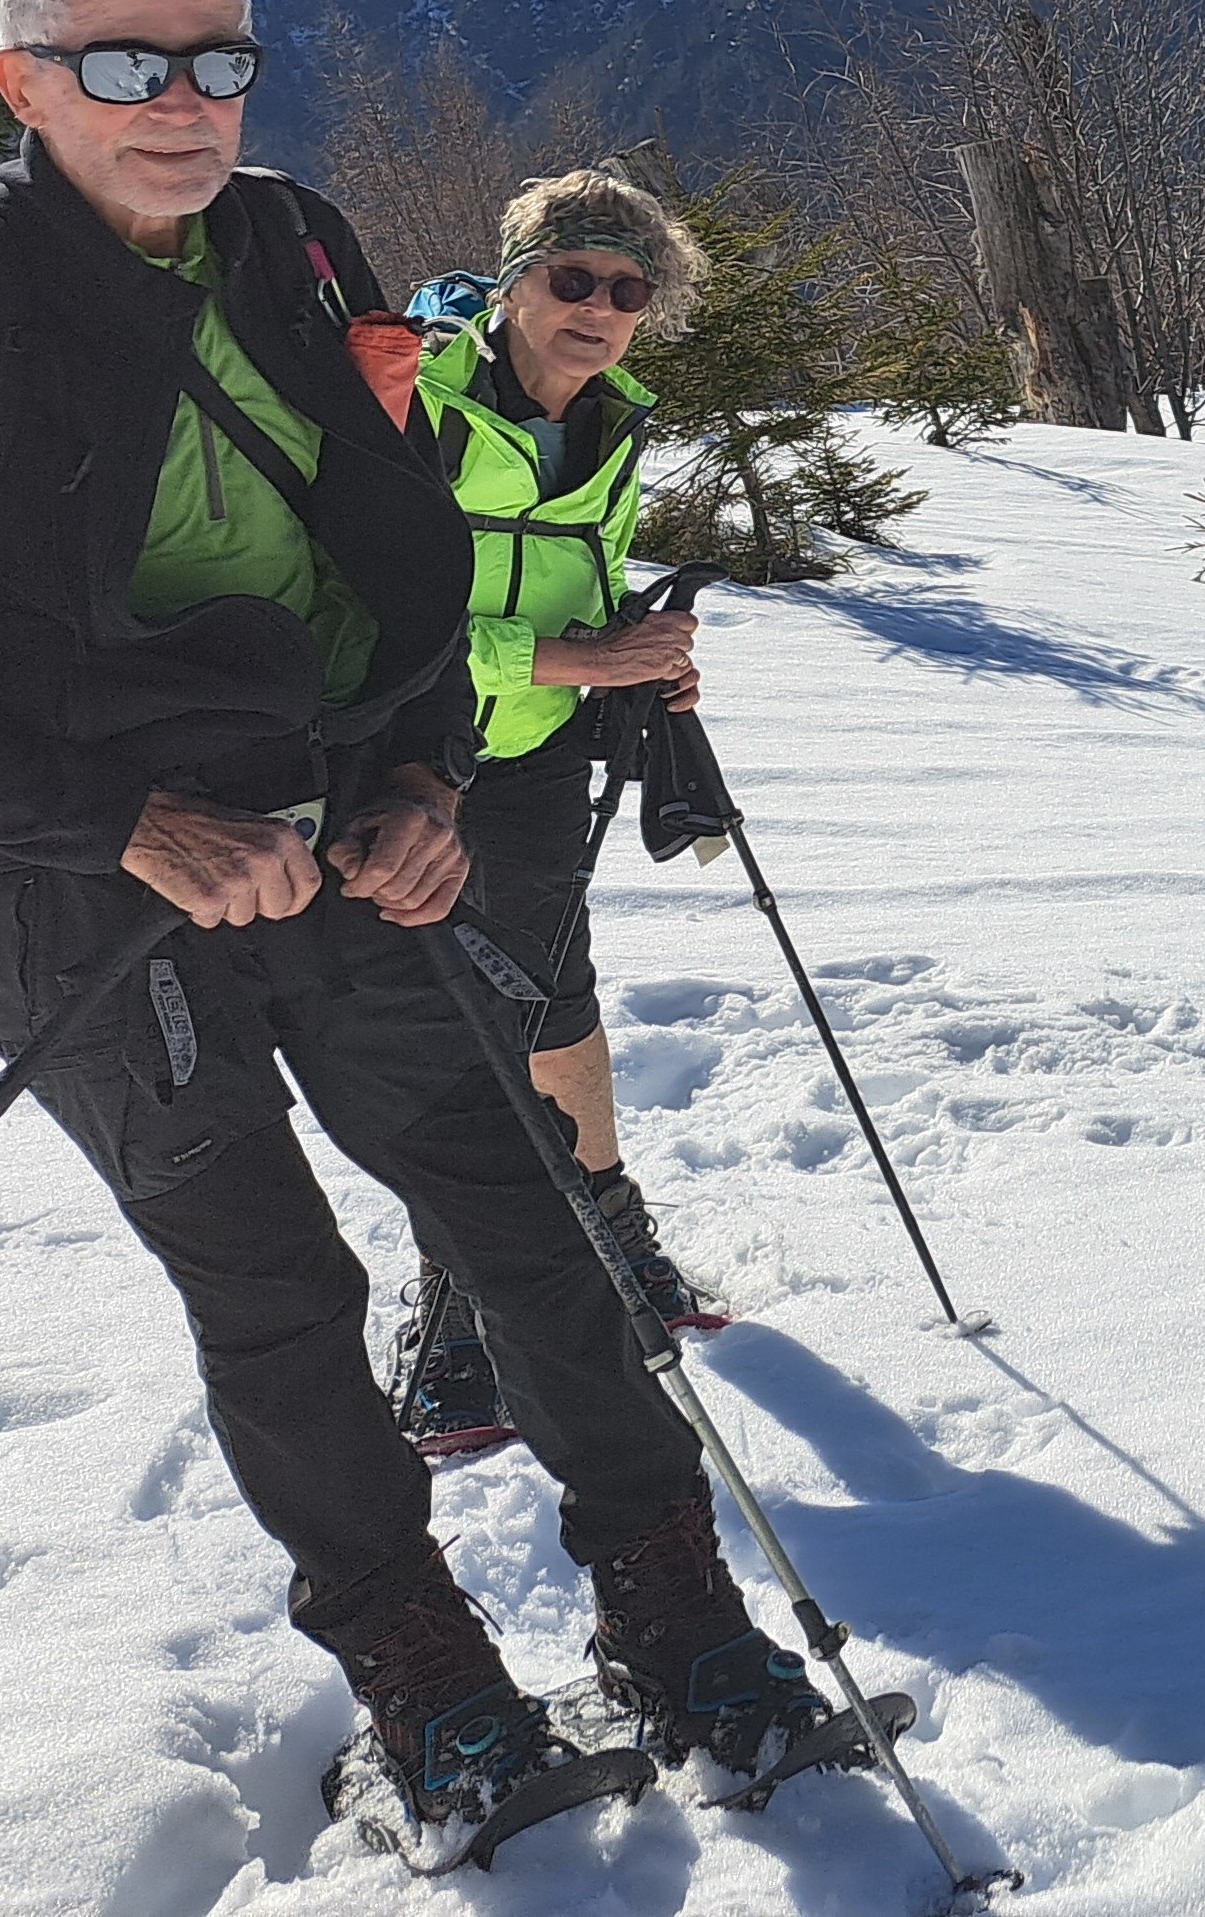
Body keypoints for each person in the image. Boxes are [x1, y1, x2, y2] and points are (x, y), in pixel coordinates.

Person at [0, 0, 849, 1857]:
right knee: (273, 1286)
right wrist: (129, 828)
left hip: (338, 829)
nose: (179, 99)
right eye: (122, 60)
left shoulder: (296, 241)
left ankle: (679, 1617)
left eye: (216, 58)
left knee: (529, 1213)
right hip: (80, 893)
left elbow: (394, 548)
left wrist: (423, 773)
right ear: (22, 82)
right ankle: (428, 1680)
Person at [392, 170, 718, 1456]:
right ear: (514, 280)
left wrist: (638, 652)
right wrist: (582, 660)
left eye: (628, 290)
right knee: (436, 1028)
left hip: (529, 758)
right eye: (572, 277)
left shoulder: (612, 424)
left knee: (554, 994)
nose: (598, 307)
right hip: (398, 761)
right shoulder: (415, 403)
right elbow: (371, 615)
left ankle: (607, 1224)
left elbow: (581, 574)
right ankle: (456, 1301)